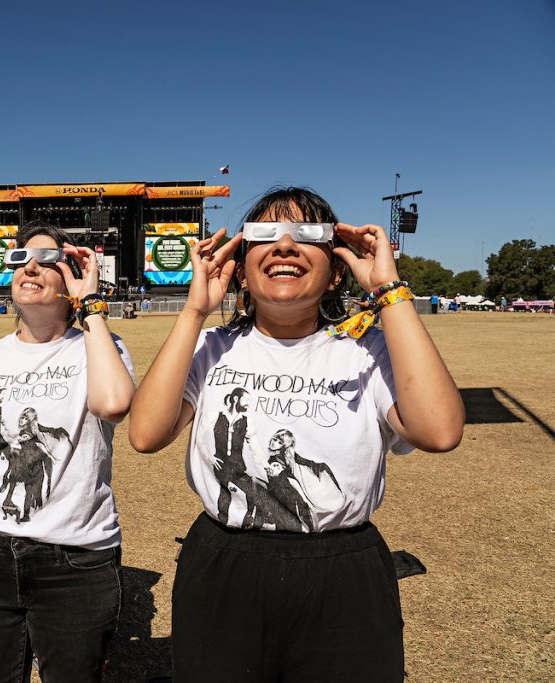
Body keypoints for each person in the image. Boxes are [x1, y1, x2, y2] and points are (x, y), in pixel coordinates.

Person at [129, 187, 464, 682]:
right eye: (265, 234)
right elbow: (145, 433)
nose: (285, 246)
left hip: (342, 569)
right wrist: (194, 312)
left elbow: (439, 430)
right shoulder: (209, 346)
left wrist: (389, 290)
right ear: (241, 268)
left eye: (307, 234)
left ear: (334, 272)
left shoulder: (368, 350)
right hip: (224, 562)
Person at [0, 224, 136, 683]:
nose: (30, 267)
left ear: (71, 274)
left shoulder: (99, 345)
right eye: (19, 258)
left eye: (48, 259)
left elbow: (114, 404)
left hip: (76, 561)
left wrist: (92, 306)